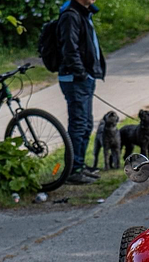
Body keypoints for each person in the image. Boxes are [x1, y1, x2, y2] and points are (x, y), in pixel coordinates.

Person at [57, 0, 106, 185]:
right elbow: (70, 48)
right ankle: (73, 170)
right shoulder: (71, 15)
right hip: (75, 79)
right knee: (78, 125)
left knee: (85, 125)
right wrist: (82, 73)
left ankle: (80, 164)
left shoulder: (85, 12)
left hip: (86, 78)